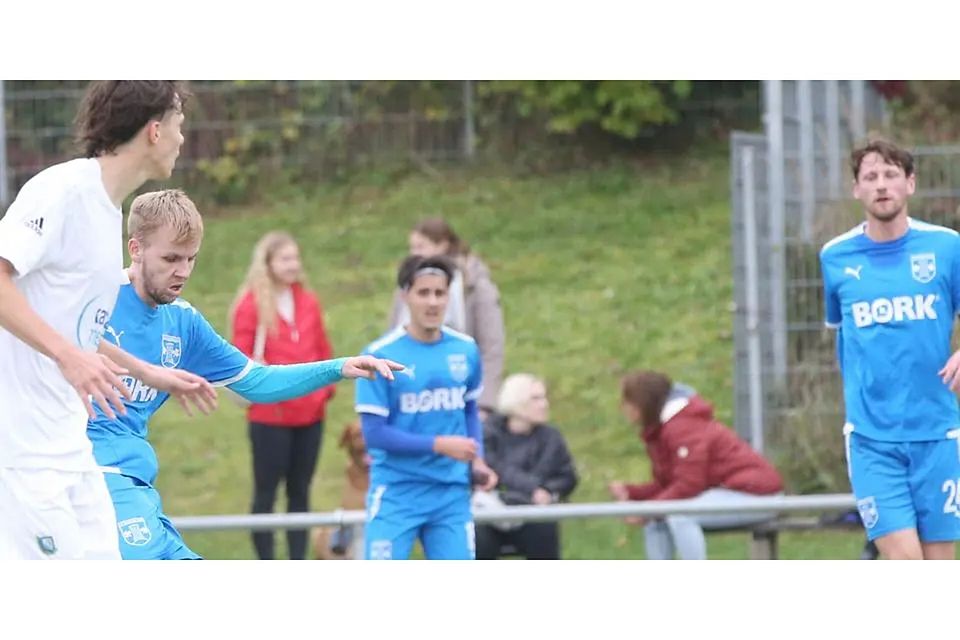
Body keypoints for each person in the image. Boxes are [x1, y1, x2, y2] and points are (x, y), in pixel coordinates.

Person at [86, 189, 402, 560]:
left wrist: (339, 367)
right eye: (171, 258)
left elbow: (257, 382)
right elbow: (45, 330)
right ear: (135, 249)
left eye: (191, 259)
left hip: (135, 478)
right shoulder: (93, 296)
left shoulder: (183, 322)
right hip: (85, 472)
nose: (183, 271)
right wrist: (144, 371)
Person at [0, 81, 218, 560]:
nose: (184, 139)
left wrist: (146, 372)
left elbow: (76, 327)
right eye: (180, 126)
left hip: (70, 447)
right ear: (155, 131)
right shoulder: (62, 191)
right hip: (25, 454)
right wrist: (67, 357)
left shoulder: (106, 211)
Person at [821, 139, 960, 560]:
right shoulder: (835, 256)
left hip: (938, 432)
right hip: (871, 438)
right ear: (856, 189)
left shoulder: (946, 247)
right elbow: (841, 335)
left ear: (910, 184)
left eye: (891, 175)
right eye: (871, 177)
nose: (881, 185)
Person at [356, 254, 498, 560]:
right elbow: (375, 435)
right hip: (397, 492)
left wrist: (478, 461)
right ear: (405, 295)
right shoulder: (379, 355)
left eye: (440, 293)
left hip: (450, 494)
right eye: (423, 293)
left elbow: (469, 410)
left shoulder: (465, 350)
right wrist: (439, 445)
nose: (433, 302)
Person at [229, 231, 337, 560]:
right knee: (266, 494)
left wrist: (323, 393)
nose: (293, 265)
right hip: (270, 418)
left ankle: (297, 560)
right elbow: (240, 359)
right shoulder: (250, 305)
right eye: (285, 259)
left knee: (300, 493)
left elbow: (322, 349)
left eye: (295, 258)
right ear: (268, 263)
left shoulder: (308, 300)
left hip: (310, 415)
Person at [608, 370, 783, 560]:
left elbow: (689, 485)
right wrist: (632, 493)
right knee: (658, 520)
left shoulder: (683, 428)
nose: (622, 408)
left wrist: (648, 511)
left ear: (642, 403)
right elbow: (669, 484)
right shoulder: (665, 428)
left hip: (758, 496)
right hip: (729, 492)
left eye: (627, 402)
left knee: (680, 514)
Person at [388, 217, 504, 416]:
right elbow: (392, 337)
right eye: (412, 247)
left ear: (442, 245)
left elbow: (491, 347)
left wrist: (484, 403)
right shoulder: (405, 287)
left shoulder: (475, 286)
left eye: (420, 246)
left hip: (461, 392)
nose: (414, 253)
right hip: (412, 396)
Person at [473, 373, 578, 560]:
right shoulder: (488, 433)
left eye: (544, 397)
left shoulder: (551, 438)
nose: (544, 404)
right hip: (491, 511)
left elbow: (567, 476)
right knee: (477, 538)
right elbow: (494, 469)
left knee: (544, 528)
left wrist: (548, 492)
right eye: (536, 398)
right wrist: (534, 489)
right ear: (516, 402)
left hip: (533, 513)